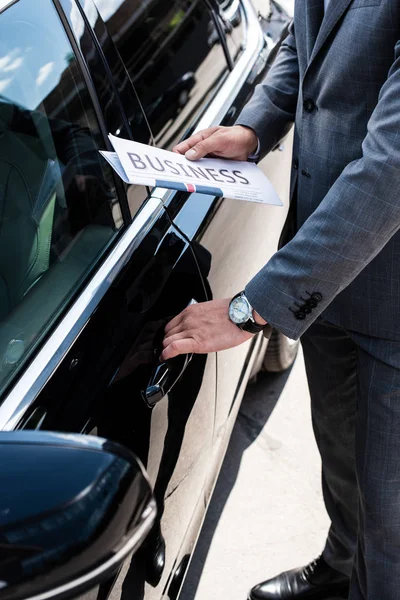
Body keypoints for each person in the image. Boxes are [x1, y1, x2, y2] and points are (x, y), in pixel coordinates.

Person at [161, 1, 400, 599]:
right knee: (343, 465)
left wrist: (252, 306)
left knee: (392, 517)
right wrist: (257, 124)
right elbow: (304, 41)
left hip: (393, 297)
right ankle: (343, 565)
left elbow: (390, 171)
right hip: (327, 278)